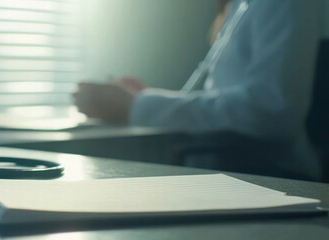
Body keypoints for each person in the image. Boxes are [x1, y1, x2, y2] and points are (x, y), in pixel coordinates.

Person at [73, 0, 323, 180]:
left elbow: (272, 110)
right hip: (230, 176)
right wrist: (143, 98)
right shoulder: (237, 6)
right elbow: (223, 99)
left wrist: (139, 105)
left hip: (277, 180)